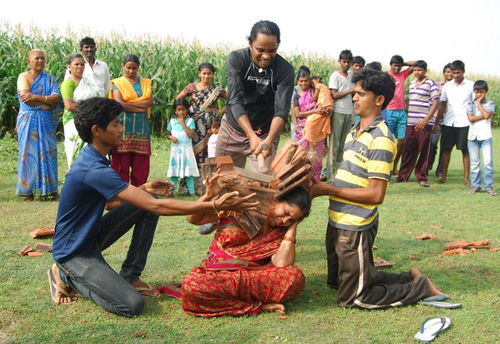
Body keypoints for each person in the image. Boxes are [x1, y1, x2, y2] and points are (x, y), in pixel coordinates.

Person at [48, 97, 258, 317]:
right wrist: (213, 204)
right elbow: (156, 206)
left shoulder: (96, 158)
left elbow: (111, 203)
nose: (121, 129)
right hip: (73, 252)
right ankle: (64, 273)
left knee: (145, 201)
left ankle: (130, 274)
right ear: (97, 130)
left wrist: (145, 187)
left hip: (91, 236)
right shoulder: (93, 167)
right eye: (116, 124)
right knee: (131, 305)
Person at [311, 69, 445, 309]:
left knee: (353, 298)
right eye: (354, 93)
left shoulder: (381, 139)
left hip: (354, 226)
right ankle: (407, 276)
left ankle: (420, 288)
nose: (354, 97)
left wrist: (326, 189)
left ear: (379, 100)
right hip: (337, 222)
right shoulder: (356, 130)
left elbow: (375, 194)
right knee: (335, 283)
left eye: (360, 94)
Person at [178, 185, 310, 317]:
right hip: (217, 275)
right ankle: (256, 305)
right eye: (286, 213)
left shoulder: (279, 232)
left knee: (294, 276)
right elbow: (194, 219)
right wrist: (208, 196)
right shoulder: (244, 206)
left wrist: (292, 229)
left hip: (249, 277)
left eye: (291, 220)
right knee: (193, 284)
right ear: (276, 199)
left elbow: (281, 264)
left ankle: (227, 299)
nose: (285, 221)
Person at [216, 20, 294, 171]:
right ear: (250, 44)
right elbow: (235, 100)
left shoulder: (285, 70)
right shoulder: (237, 59)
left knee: (262, 186)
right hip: (233, 129)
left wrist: (268, 140)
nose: (266, 56)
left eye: (272, 51)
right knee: (222, 180)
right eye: (260, 50)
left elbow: (281, 110)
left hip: (265, 133)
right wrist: (251, 136)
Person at [16, 49, 61, 201]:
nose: (40, 61)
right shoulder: (23, 77)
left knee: (50, 153)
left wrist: (35, 97)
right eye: (37, 58)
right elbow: (25, 99)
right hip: (28, 120)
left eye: (43, 58)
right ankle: (27, 192)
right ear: (29, 61)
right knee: (28, 154)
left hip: (46, 122)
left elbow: (56, 99)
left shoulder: (50, 78)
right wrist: (46, 102)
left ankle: (51, 190)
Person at [109, 54, 153, 186]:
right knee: (120, 165)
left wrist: (129, 104)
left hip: (141, 129)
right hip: (122, 128)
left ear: (138, 68)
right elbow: (119, 104)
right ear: (123, 67)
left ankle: (139, 194)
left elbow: (149, 102)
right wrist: (140, 107)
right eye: (128, 68)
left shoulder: (146, 83)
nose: (131, 71)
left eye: (134, 68)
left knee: (141, 166)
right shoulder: (117, 83)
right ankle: (122, 194)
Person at [395, 60, 440, 187]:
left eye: (419, 70)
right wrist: (403, 63)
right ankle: (403, 176)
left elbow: (436, 102)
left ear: (425, 71)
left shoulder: (431, 83)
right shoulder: (412, 83)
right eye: (414, 70)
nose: (416, 72)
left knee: (424, 151)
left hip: (424, 123)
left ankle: (422, 177)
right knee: (408, 150)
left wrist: (426, 120)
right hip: (411, 122)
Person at [176, 62, 227, 167]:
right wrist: (185, 112)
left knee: (208, 147)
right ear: (199, 74)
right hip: (193, 121)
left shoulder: (217, 90)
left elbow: (232, 100)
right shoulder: (192, 87)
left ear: (213, 74)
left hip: (210, 123)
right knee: (191, 145)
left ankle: (206, 175)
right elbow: (178, 99)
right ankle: (190, 175)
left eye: (209, 74)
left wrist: (220, 111)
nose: (206, 76)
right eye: (204, 73)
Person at [435, 60, 474, 185]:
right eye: (453, 73)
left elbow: (475, 104)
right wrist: (437, 121)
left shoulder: (471, 85)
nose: (456, 75)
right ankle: (443, 177)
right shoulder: (447, 86)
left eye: (458, 72)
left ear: (463, 71)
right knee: (446, 150)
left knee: (465, 151)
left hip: (465, 123)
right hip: (448, 122)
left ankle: (466, 179)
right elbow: (443, 104)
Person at [61, 54, 100, 167]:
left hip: (91, 120)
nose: (80, 67)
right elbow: (69, 105)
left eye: (82, 64)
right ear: (69, 66)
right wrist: (90, 108)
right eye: (76, 64)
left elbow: (96, 99)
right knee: (76, 147)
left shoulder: (88, 82)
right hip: (74, 121)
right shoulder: (68, 83)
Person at [327, 49, 355, 181]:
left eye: (348, 62)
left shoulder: (351, 76)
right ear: (339, 61)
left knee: (344, 145)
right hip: (338, 112)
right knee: (335, 144)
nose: (346, 64)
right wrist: (351, 90)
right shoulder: (335, 76)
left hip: (350, 113)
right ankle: (331, 175)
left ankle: (340, 174)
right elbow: (334, 95)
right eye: (344, 61)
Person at [385, 55, 416, 175]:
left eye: (399, 65)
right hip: (389, 111)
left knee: (401, 142)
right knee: (387, 142)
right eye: (395, 65)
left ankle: (394, 167)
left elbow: (417, 63)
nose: (397, 68)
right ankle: (386, 167)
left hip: (401, 112)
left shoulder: (403, 74)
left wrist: (404, 63)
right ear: (390, 65)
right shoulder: (386, 76)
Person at [467, 80, 496, 196]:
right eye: (477, 92)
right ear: (474, 91)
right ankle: (476, 185)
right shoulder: (469, 104)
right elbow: (471, 118)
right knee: (474, 163)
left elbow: (487, 115)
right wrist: (483, 116)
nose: (478, 94)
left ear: (486, 92)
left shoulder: (490, 103)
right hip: (472, 137)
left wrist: (479, 104)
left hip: (485, 136)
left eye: (481, 92)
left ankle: (489, 186)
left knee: (488, 162)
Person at [166, 99, 200, 196]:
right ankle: (171, 191)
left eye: (183, 109)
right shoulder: (172, 122)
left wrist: (183, 124)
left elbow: (191, 135)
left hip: (186, 150)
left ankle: (192, 192)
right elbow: (167, 134)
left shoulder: (190, 121)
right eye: (179, 110)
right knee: (174, 171)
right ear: (175, 111)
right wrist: (170, 137)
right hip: (176, 150)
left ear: (187, 110)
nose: (181, 112)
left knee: (188, 172)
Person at [428, 63, 453, 176]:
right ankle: (427, 167)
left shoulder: (456, 87)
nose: (450, 74)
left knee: (445, 146)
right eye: (447, 72)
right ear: (444, 73)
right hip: (436, 119)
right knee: (432, 144)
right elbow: (432, 100)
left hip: (449, 120)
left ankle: (440, 171)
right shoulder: (437, 85)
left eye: (452, 72)